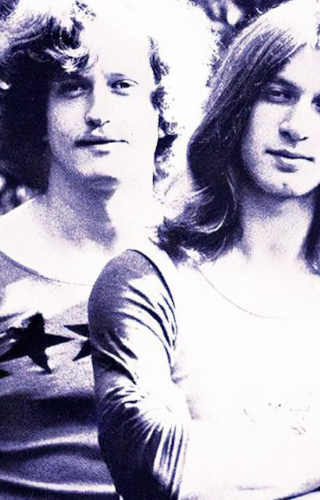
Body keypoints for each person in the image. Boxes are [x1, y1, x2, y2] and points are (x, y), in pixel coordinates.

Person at [86, 0, 320, 498]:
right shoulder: (145, 279)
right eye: (278, 94)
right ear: (236, 107)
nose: (296, 125)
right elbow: (152, 462)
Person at [0, 0, 214, 497]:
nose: (98, 113)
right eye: (72, 87)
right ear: (38, 112)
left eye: (123, 86)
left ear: (163, 109)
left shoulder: (216, 266)